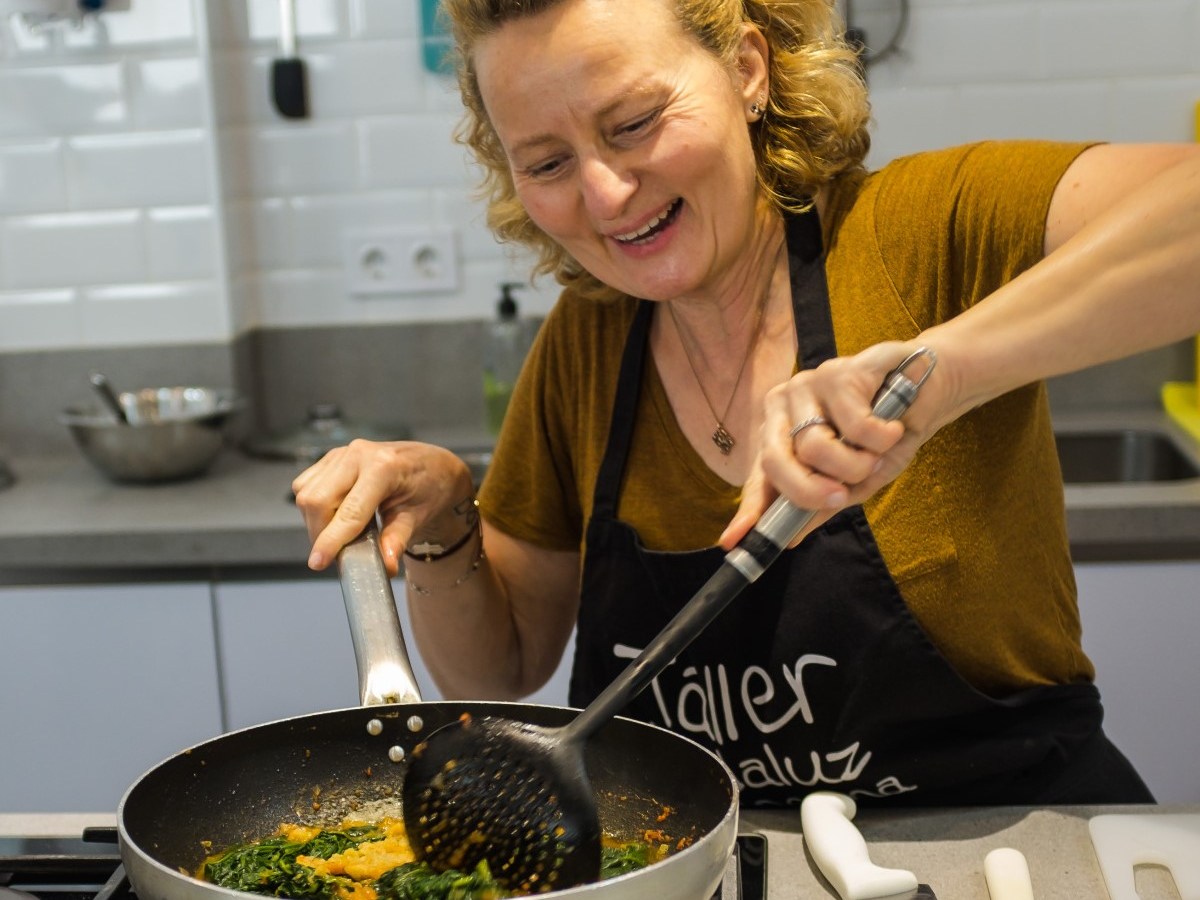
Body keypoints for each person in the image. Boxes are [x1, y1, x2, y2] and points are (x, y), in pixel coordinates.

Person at [292, 0, 1200, 808]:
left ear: (748, 69)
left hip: (1011, 846)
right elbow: (499, 668)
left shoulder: (920, 230)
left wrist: (939, 374)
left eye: (636, 122)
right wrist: (451, 513)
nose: (605, 194)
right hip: (718, 862)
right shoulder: (587, 339)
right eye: (547, 161)